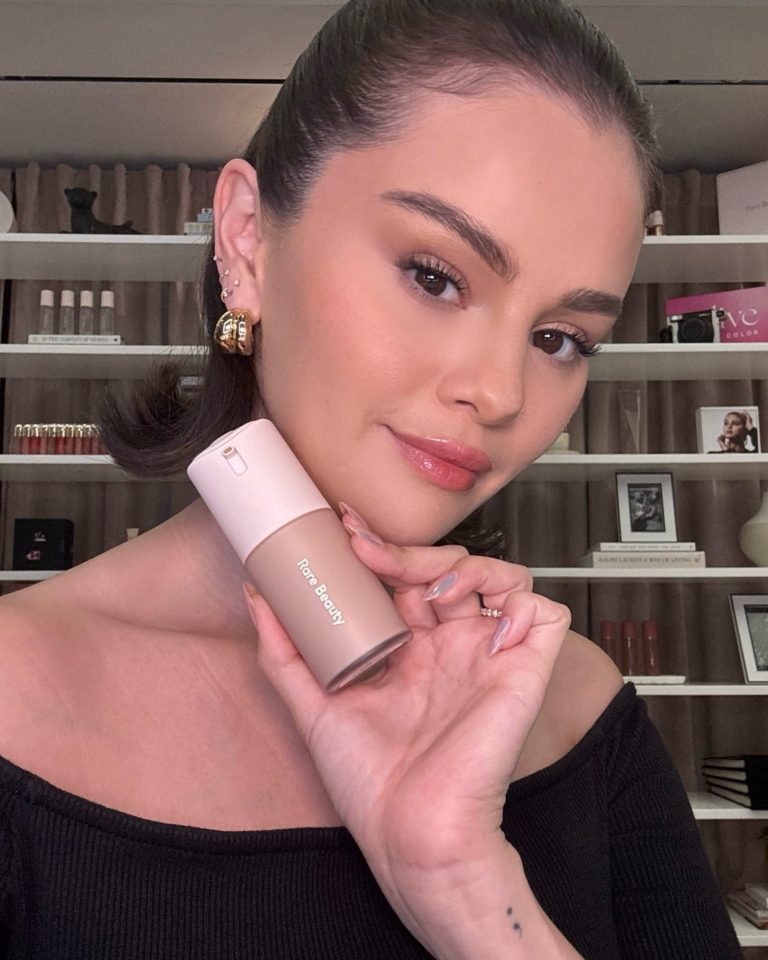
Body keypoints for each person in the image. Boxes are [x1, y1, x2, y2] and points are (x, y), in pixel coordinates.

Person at [0, 1, 742, 957]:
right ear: (247, 240)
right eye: (435, 275)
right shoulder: (17, 689)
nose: (501, 392)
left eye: (561, 338)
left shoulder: (577, 705)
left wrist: (464, 892)